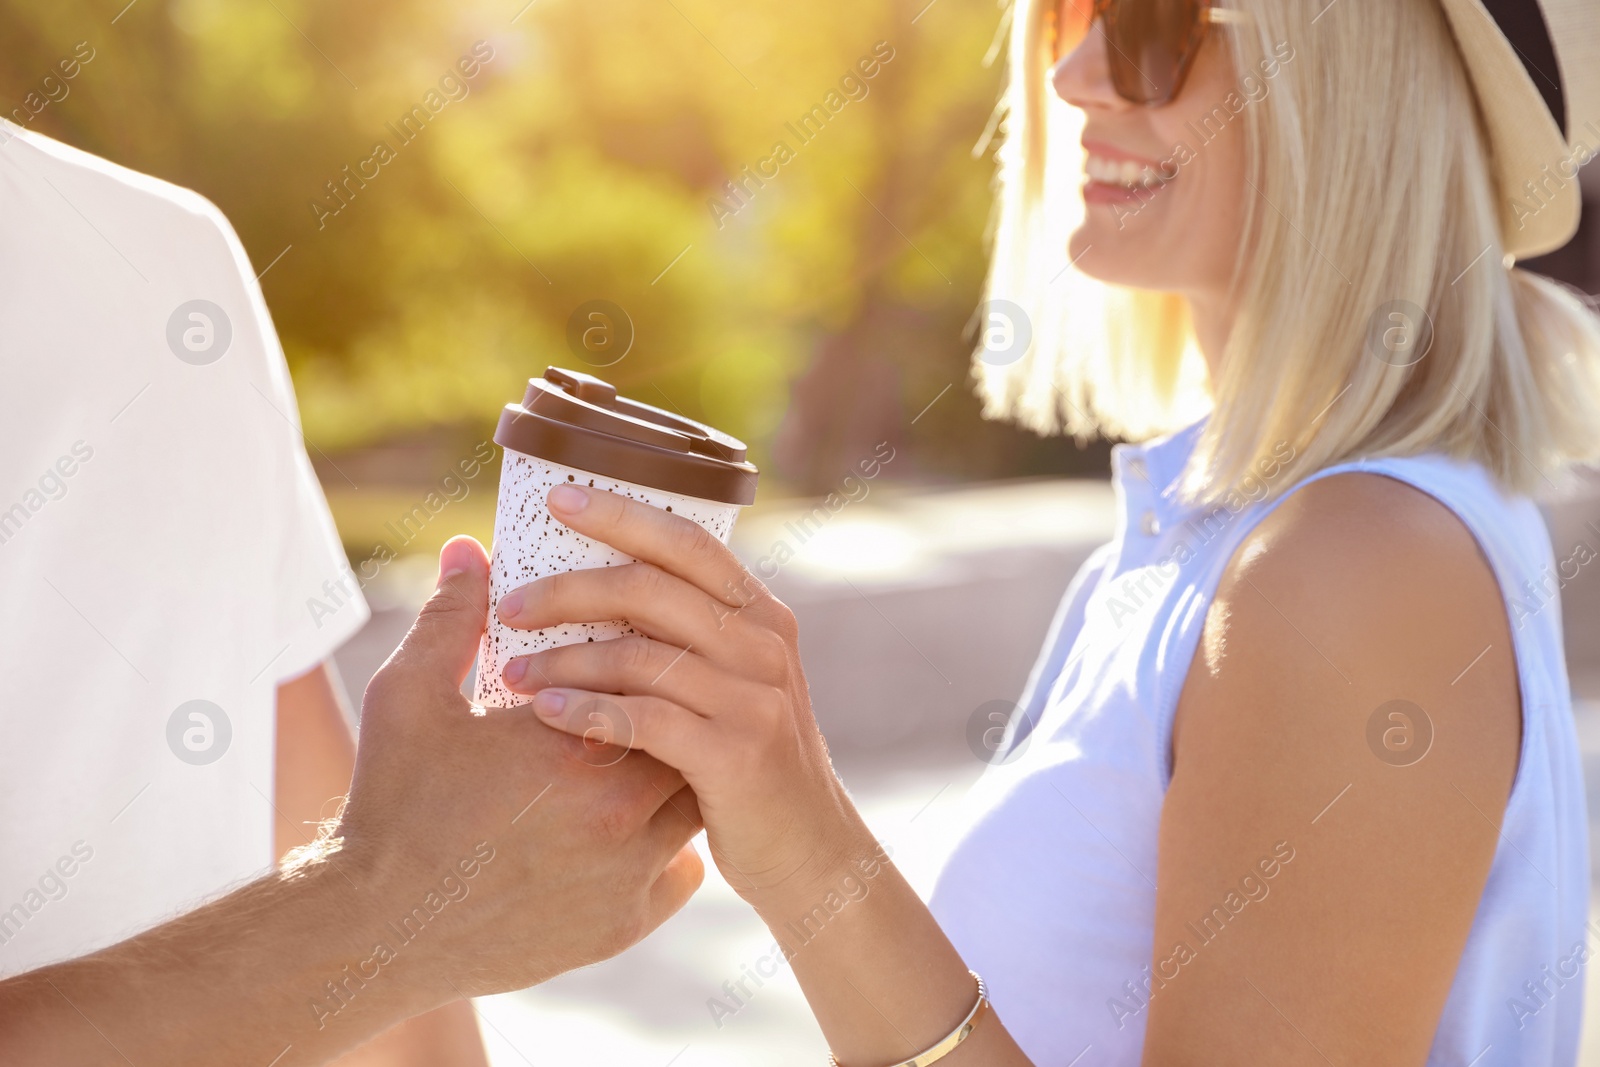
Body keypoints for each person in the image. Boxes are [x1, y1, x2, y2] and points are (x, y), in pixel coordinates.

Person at [483, 1, 1600, 1064]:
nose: (1069, 76)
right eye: (1071, 11)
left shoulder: (1352, 572)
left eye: (1157, 21)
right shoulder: (1214, 541)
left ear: (1361, 87)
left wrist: (805, 840)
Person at [0, 120, 701, 1062]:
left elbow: (332, 863)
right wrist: (390, 916)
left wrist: (418, 904)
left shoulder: (170, 263)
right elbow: (375, 903)